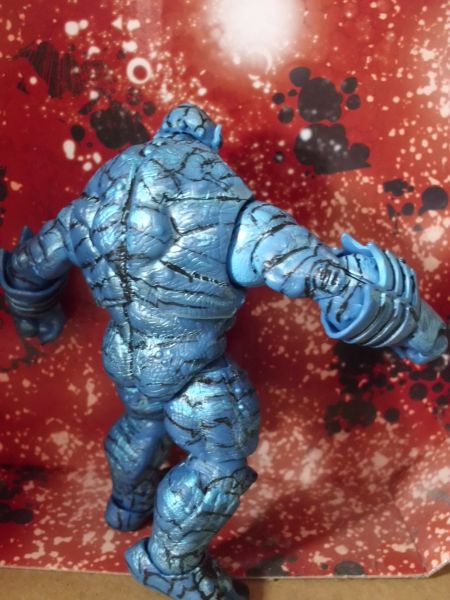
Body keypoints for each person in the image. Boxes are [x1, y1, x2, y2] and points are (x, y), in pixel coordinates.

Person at [0, 104, 446, 600]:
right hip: (190, 363)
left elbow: (28, 266)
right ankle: (171, 564)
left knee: (142, 420)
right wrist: (426, 335)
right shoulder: (234, 213)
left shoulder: (89, 210)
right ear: (211, 143)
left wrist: (35, 315)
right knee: (219, 462)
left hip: (124, 353)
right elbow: (339, 281)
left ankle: (126, 505)